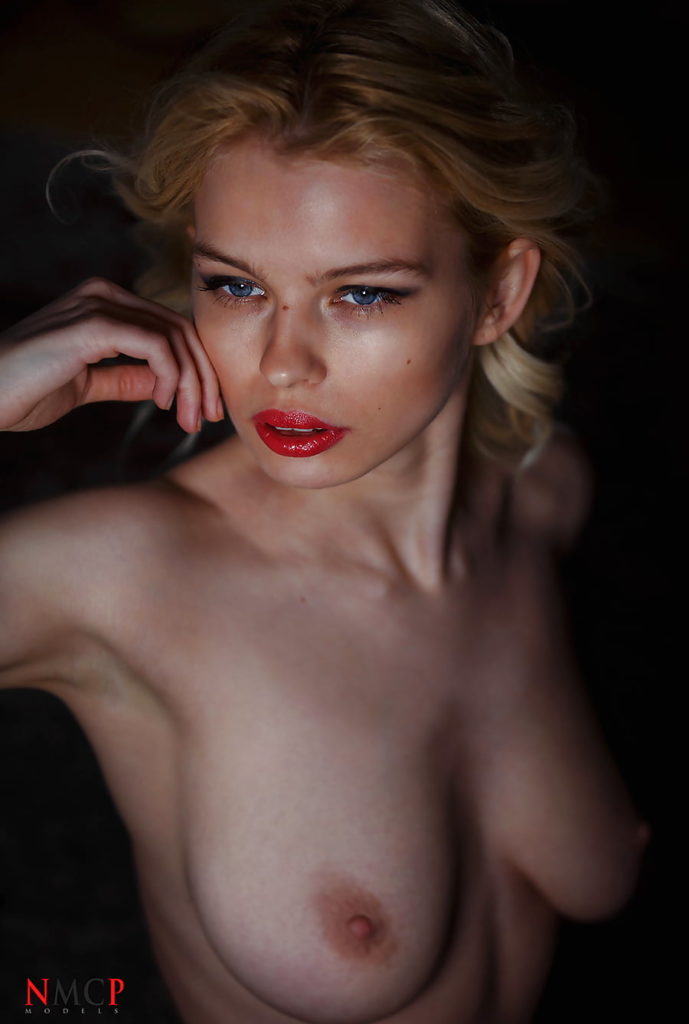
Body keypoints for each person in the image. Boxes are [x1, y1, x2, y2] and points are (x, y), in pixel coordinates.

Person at [0, 1, 649, 1021]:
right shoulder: (120, 575)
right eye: (235, 285)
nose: (282, 363)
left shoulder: (542, 494)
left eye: (361, 294)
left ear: (497, 293)